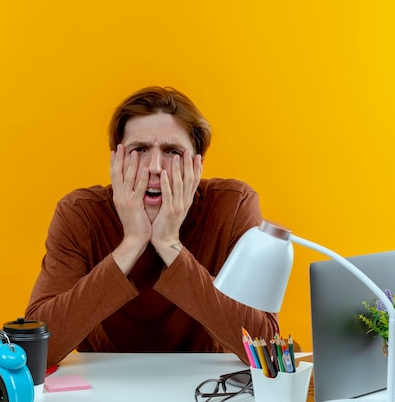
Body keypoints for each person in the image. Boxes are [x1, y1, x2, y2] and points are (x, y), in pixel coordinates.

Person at [25, 86, 279, 368]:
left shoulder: (232, 206)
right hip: (104, 385)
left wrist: (170, 244)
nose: (155, 166)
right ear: (116, 161)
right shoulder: (81, 214)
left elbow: (267, 347)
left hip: (207, 387)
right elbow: (38, 349)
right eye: (139, 150)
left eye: (172, 151)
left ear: (198, 165)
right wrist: (132, 242)